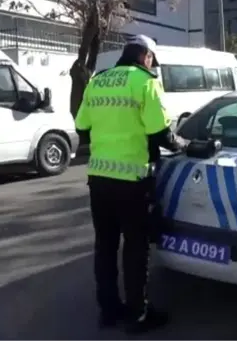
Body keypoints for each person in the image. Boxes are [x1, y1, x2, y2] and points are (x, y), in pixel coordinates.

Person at [75, 34, 188, 333]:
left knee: (105, 246)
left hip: (99, 179)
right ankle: (138, 315)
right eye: (152, 59)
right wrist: (184, 146)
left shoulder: (98, 81)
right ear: (146, 57)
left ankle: (109, 311)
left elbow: (81, 127)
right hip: (133, 181)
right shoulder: (145, 81)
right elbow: (162, 134)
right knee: (136, 249)